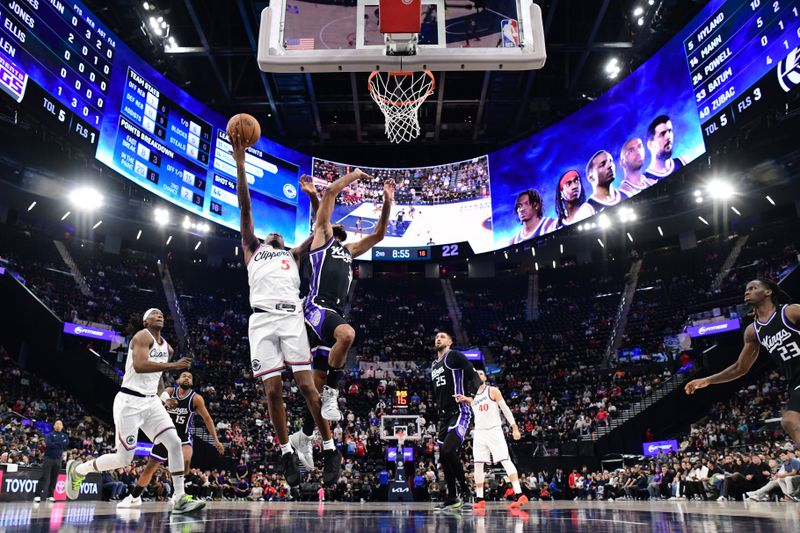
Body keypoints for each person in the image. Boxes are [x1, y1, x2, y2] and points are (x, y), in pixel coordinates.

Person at [230, 132, 340, 487]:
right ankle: (285, 452)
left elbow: (322, 230)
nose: (276, 233)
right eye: (271, 233)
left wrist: (318, 205)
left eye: (280, 234)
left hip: (291, 316)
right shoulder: (251, 248)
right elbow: (245, 207)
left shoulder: (293, 254)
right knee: (273, 392)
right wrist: (241, 162)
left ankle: (329, 446)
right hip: (261, 320)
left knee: (309, 388)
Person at [291, 169, 394, 462]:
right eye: (333, 228)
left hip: (332, 312)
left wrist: (387, 201)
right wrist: (355, 175)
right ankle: (332, 394)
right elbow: (331, 195)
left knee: (318, 380)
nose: (338, 231)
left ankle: (305, 435)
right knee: (347, 334)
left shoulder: (348, 251)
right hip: (315, 308)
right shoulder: (320, 241)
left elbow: (379, 234)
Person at [64, 309, 203, 514]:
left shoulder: (168, 348)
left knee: (174, 442)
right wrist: (174, 366)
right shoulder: (141, 337)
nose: (159, 315)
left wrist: (164, 397)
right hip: (129, 401)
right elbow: (139, 365)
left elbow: (157, 377)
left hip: (151, 402)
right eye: (154, 313)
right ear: (146, 321)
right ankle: (78, 470)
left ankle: (180, 497)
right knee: (124, 459)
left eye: (161, 313)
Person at [686, 278, 800, 449]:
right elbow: (740, 368)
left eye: (753, 288)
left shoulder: (790, 312)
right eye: (746, 289)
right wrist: (707, 380)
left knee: (790, 420)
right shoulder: (753, 331)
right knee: (790, 422)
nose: (747, 291)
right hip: (795, 381)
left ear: (768, 292)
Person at [117, 371, 224, 508]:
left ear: (192, 382)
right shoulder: (168, 391)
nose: (186, 378)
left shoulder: (196, 398)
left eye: (190, 377)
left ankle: (178, 494)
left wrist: (216, 441)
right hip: (164, 434)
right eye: (184, 376)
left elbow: (207, 418)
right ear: (178, 380)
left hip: (183, 436)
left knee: (185, 460)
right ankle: (134, 497)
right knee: (149, 468)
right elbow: (154, 406)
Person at [454, 369, 528, 509]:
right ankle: (480, 498)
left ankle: (519, 494)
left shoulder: (492, 390)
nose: (478, 375)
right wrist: (465, 399)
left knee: (505, 460)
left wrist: (515, 428)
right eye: (476, 373)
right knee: (478, 464)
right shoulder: (472, 395)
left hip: (494, 431)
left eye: (481, 373)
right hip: (479, 433)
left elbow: (505, 409)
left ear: (485, 377)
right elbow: (472, 401)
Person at [431, 331, 481, 511]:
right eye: (436, 336)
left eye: (443, 337)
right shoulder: (434, 365)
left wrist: (473, 397)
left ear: (450, 342)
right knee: (444, 457)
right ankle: (452, 497)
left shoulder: (454, 356)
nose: (438, 338)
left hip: (459, 411)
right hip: (444, 416)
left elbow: (473, 374)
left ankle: (467, 492)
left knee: (448, 449)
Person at [573, 150, 629, 220]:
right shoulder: (586, 211)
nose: (610, 165)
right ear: (591, 178)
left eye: (611, 161)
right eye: (602, 164)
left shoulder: (626, 194)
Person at [34, 420, 69, 503]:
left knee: (54, 478)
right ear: (54, 426)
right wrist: (60, 444)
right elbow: (49, 444)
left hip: (58, 459)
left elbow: (66, 443)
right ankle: (37, 495)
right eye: (57, 423)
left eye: (60, 424)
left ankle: (50, 496)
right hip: (48, 458)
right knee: (44, 477)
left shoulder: (64, 435)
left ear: (62, 426)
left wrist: (55, 444)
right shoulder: (49, 435)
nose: (59, 425)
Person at [643, 115, 685, 182]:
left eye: (670, 131)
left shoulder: (683, 162)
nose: (668, 136)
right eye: (662, 134)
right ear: (650, 144)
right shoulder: (645, 181)